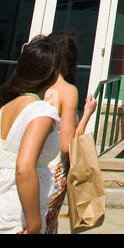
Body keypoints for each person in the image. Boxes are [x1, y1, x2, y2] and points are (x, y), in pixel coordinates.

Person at [0, 35, 63, 235]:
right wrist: (34, 224)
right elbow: (24, 167)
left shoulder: (5, 107)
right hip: (13, 215)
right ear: (52, 72)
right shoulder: (41, 112)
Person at [43, 30, 98, 233]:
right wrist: (86, 115)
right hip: (52, 173)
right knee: (45, 224)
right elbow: (67, 146)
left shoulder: (33, 85)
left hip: (26, 166)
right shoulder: (67, 90)